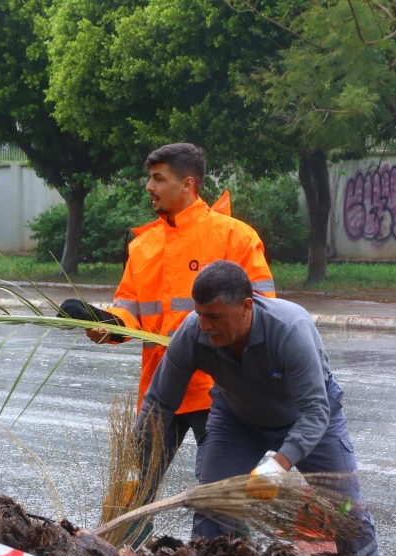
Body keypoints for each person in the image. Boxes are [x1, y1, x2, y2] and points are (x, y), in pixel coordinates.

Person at [64, 143, 275, 498]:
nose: (149, 187)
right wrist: (102, 322)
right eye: (150, 178)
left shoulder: (233, 237)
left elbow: (264, 312)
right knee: (130, 492)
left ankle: (221, 551)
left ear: (188, 184)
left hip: (218, 390)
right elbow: (128, 314)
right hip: (160, 392)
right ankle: (119, 550)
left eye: (158, 178)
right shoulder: (143, 247)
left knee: (220, 495)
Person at [137, 261, 380, 556]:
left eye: (214, 316)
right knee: (212, 506)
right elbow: (159, 403)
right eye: (200, 314)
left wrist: (280, 464)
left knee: (346, 508)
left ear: (246, 307)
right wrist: (138, 467)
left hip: (308, 419)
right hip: (236, 420)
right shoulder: (192, 332)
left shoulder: (290, 330)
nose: (205, 325)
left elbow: (316, 411)